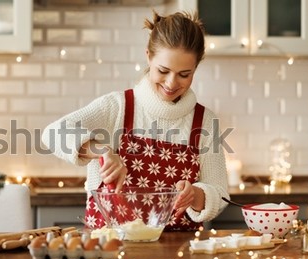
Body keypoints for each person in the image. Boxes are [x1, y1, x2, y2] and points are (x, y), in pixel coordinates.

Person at [42, 10, 230, 231]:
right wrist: (102, 151)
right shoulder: (117, 106)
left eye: (184, 74)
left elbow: (219, 194)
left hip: (177, 253)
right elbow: (52, 133)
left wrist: (196, 195)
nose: (171, 83)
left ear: (196, 68)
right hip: (111, 248)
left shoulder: (206, 121)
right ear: (149, 56)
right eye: (163, 70)